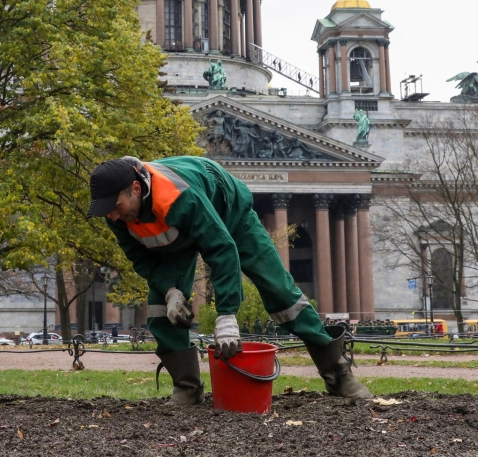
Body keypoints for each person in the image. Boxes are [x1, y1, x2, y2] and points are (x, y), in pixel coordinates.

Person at [87, 156, 371, 403]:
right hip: (176, 237)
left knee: (282, 292)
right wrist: (171, 290)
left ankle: (339, 374)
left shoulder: (180, 196)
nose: (112, 214)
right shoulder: (116, 216)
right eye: (107, 209)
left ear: (136, 188)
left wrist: (226, 315)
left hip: (229, 211)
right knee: (161, 309)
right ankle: (187, 389)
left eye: (115, 205)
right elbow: (142, 259)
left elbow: (221, 248)